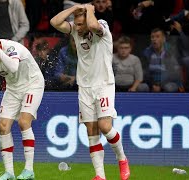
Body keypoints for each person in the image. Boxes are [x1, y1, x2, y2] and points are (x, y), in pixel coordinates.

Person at [50, 4, 130, 180]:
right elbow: (54, 22)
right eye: (76, 24)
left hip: (103, 84)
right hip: (84, 87)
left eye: (80, 25)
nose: (77, 28)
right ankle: (100, 175)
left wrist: (90, 10)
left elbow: (93, 26)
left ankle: (122, 158)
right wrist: (74, 9)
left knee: (105, 127)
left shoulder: (101, 26)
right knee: (91, 131)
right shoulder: (76, 30)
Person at [0, 34, 45, 180]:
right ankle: (9, 173)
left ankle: (29, 170)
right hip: (13, 89)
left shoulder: (11, 48)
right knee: (3, 126)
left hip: (32, 84)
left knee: (24, 122)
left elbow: (14, 67)